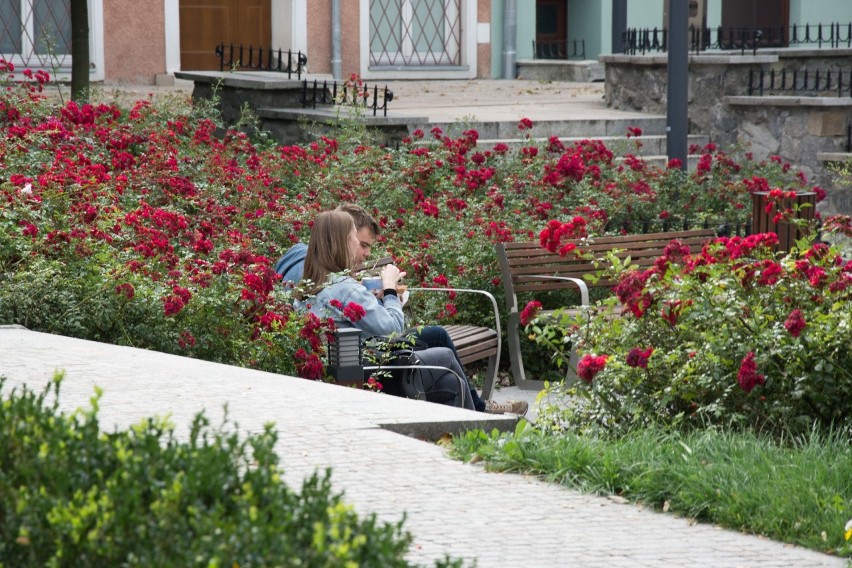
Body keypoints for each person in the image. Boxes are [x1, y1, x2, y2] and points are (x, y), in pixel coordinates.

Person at [290, 206, 527, 415]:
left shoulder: (310, 286)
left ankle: (474, 415)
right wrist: (391, 291)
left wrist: (375, 300)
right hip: (369, 368)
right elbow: (392, 329)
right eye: (355, 238)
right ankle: (477, 419)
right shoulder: (345, 289)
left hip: (349, 362)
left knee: (438, 340)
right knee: (444, 356)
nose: (361, 247)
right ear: (341, 241)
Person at [275, 203, 379, 283]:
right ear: (342, 236)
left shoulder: (298, 254)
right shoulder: (317, 274)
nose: (368, 253)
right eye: (363, 245)